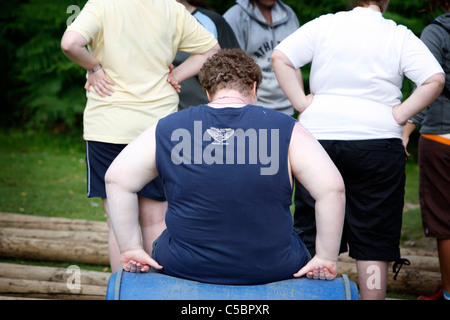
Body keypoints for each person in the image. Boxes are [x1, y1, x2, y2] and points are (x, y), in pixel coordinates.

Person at [105, 48, 345, 285]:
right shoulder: (286, 128)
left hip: (185, 265)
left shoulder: (168, 127)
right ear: (253, 88)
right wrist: (325, 257)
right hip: (274, 265)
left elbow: (117, 178)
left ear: (208, 93)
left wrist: (130, 248)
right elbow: (332, 188)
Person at [272, 0, 445, 299]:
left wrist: (301, 103)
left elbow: (281, 56)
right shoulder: (398, 34)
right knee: (374, 234)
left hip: (320, 139)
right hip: (378, 141)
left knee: (314, 229)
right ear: (385, 1)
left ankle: (314, 295)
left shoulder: (323, 25)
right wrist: (400, 114)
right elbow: (434, 78)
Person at [60, 0, 220, 273]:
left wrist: (94, 68)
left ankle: (124, 290)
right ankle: (158, 288)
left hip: (108, 124)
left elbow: (70, 44)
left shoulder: (101, 5)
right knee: (156, 218)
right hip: (157, 126)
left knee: (118, 223)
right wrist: (176, 75)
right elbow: (211, 50)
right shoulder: (172, 8)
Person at [402, 0, 450, 301]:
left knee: (446, 223)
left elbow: (427, 86)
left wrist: (407, 128)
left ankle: (448, 293)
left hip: (443, 137)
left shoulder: (437, 31)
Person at [223, 0, 300, 116]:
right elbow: (231, 70)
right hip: (253, 109)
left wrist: (300, 107)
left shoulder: (289, 14)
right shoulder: (234, 17)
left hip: (287, 109)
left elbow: (296, 64)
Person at [174, 0, 240, 111]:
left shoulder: (211, 21)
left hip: (205, 116)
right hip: (156, 114)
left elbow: (237, 73)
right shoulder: (145, 23)